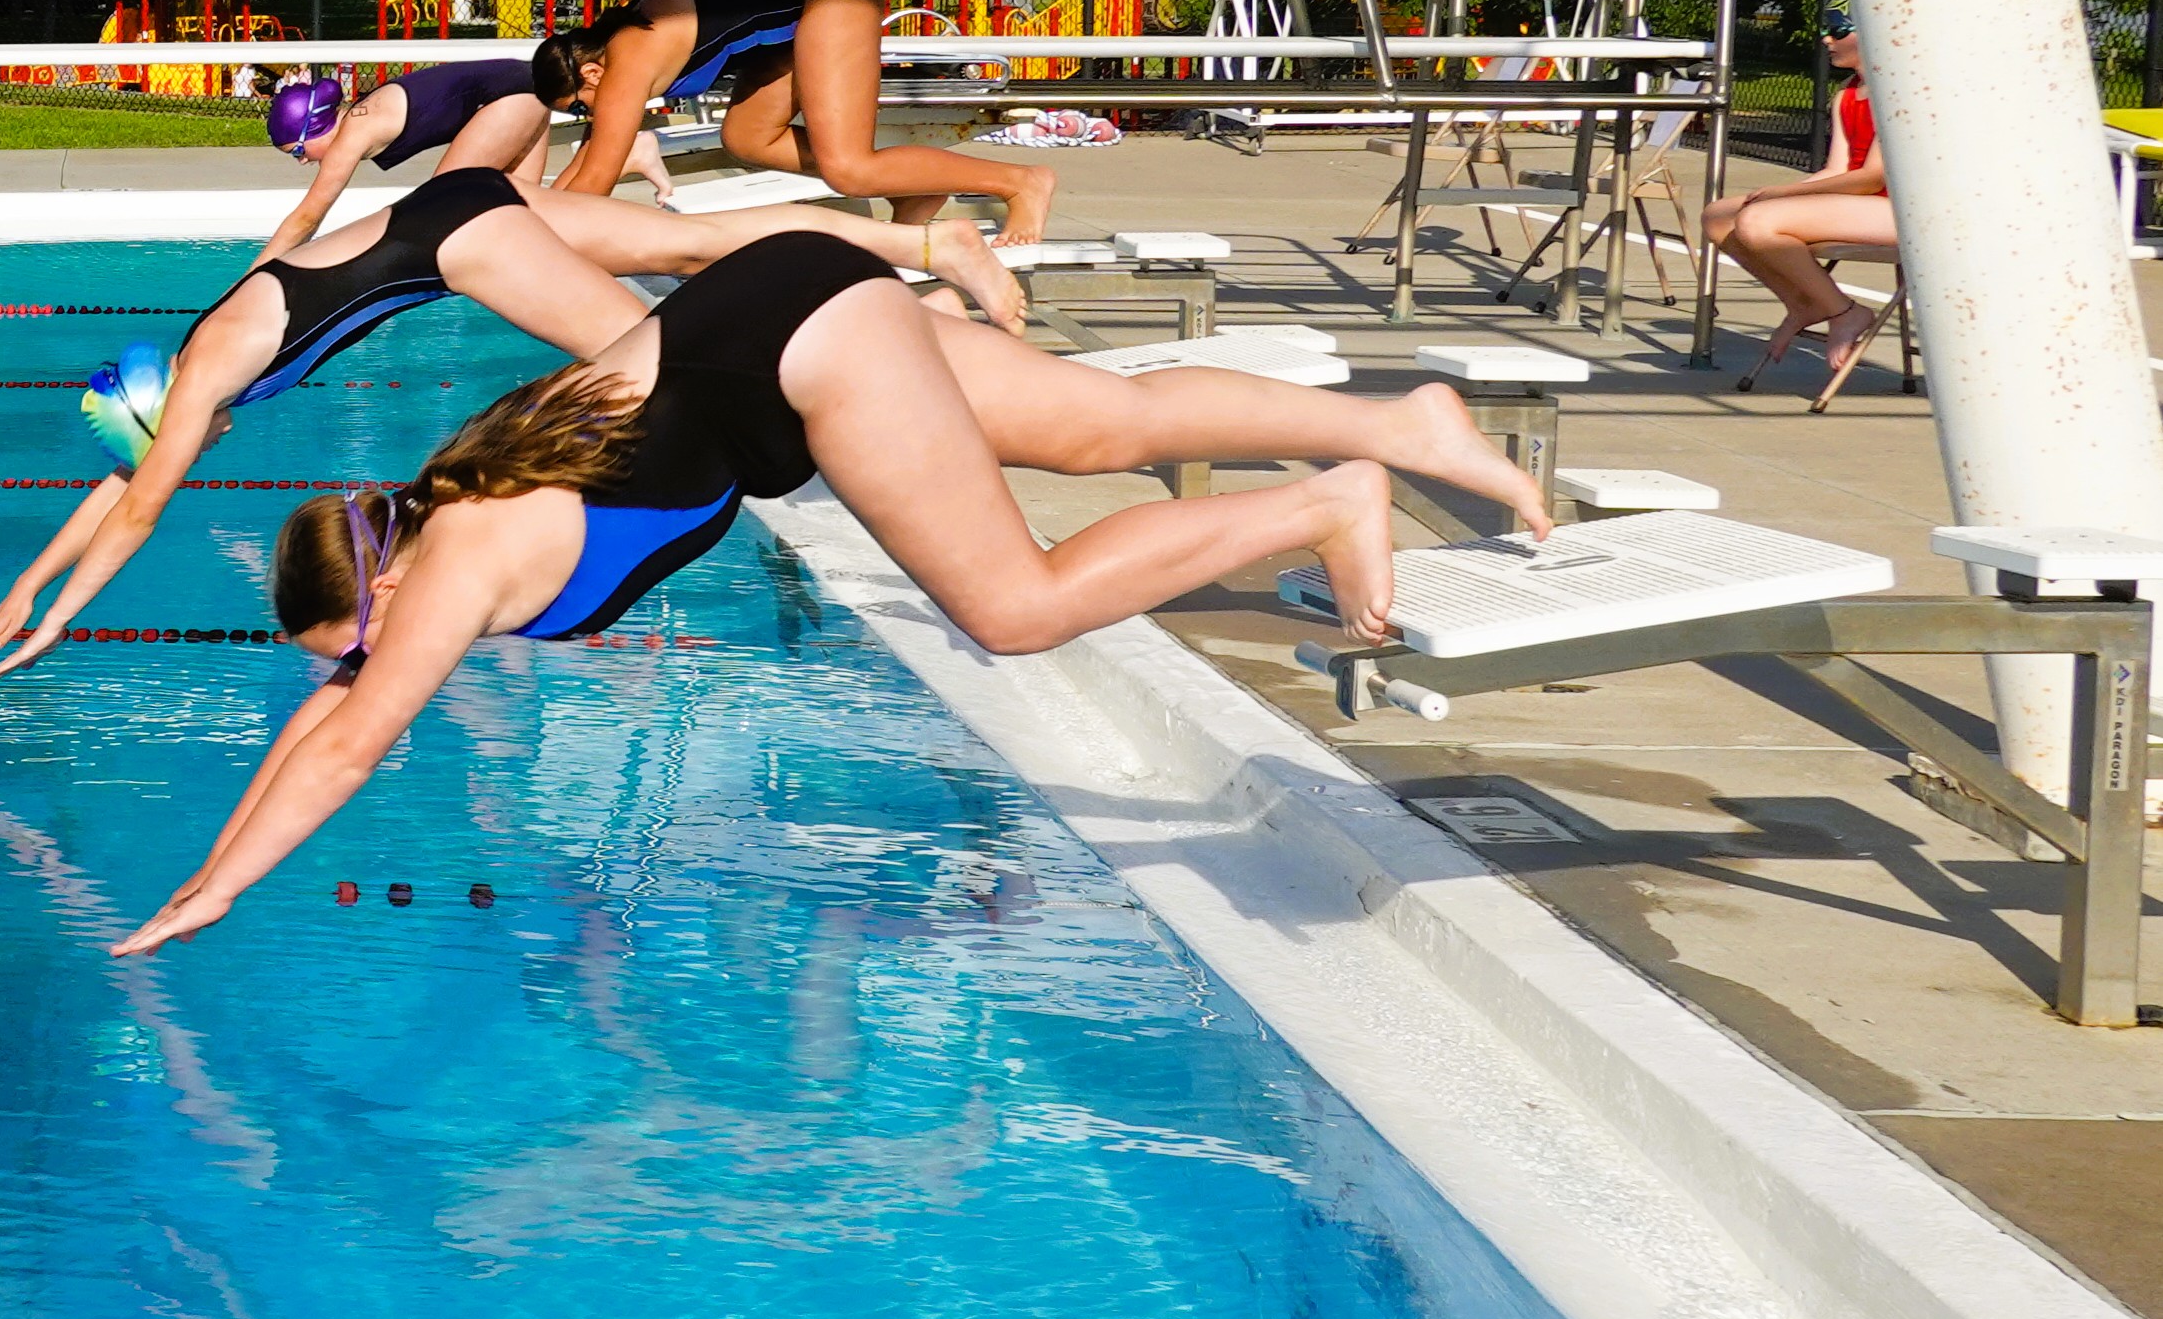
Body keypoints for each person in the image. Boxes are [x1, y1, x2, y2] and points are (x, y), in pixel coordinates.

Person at [108, 238, 1551, 953]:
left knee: (1014, 608)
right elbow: (336, 715)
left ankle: (1324, 499)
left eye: (344, 648)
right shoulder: (445, 507)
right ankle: (1400, 425)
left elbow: (352, 743)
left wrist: (216, 890)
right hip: (775, 304)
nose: (344, 674)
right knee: (1095, 426)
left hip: (793, 363)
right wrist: (208, 852)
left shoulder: (471, 554)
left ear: (381, 593)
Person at [0, 166, 1033, 679]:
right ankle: (929, 273)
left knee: (706, 333)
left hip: (462, 246)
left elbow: (139, 515)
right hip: (453, 209)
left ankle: (928, 293)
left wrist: (61, 619)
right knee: (693, 249)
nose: (189, 459)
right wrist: (26, 585)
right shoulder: (206, 362)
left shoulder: (206, 382)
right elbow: (121, 493)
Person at [532, 0, 1057, 246]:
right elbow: (588, 163)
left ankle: (1020, 182)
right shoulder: (619, 46)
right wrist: (533, 217)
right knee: (746, 136)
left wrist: (536, 246)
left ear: (590, 72)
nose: (586, 115)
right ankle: (913, 192)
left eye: (579, 105)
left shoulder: (627, 53)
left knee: (849, 169)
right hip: (791, 4)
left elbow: (597, 180)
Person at [1712, 11, 1897, 403]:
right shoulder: (1846, 93)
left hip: (1898, 211)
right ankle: (1802, 302)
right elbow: (1837, 168)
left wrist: (1782, 197)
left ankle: (1843, 311)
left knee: (1759, 223)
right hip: (1859, 205)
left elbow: (1872, 178)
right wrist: (1784, 190)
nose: (1827, 40)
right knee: (1718, 217)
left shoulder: (1895, 91)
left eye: (1837, 31)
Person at [259, 55, 552, 258]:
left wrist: (245, 287)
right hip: (529, 87)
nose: (302, 160)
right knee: (527, 220)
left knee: (436, 213)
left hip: (514, 96)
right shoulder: (362, 116)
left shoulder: (352, 134)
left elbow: (307, 218)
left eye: (298, 150)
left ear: (316, 126)